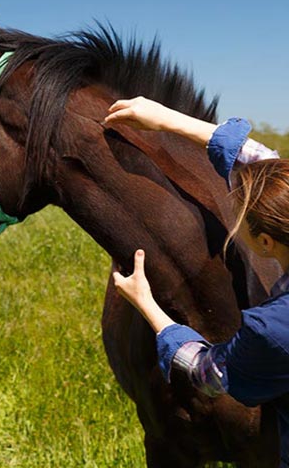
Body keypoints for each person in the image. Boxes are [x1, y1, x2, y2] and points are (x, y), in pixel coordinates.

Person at [103, 96, 289, 467]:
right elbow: (264, 163)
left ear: (264, 243)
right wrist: (164, 117)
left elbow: (212, 375)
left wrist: (149, 307)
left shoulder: (274, 328)